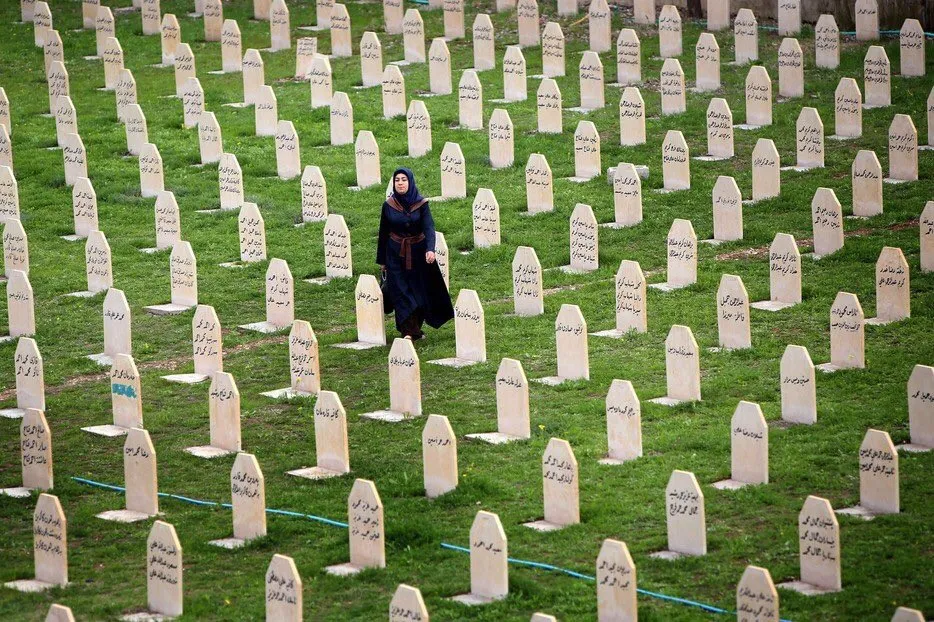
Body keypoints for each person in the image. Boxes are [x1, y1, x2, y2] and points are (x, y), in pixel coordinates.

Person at [377, 168, 454, 340]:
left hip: (418, 254)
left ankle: (415, 329)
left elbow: (429, 227)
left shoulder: (421, 204)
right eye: (397, 180)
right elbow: (383, 232)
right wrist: (382, 260)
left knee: (418, 292)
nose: (400, 183)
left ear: (410, 182)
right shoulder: (388, 206)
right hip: (395, 255)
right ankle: (408, 332)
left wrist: (430, 249)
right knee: (401, 293)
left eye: (404, 180)